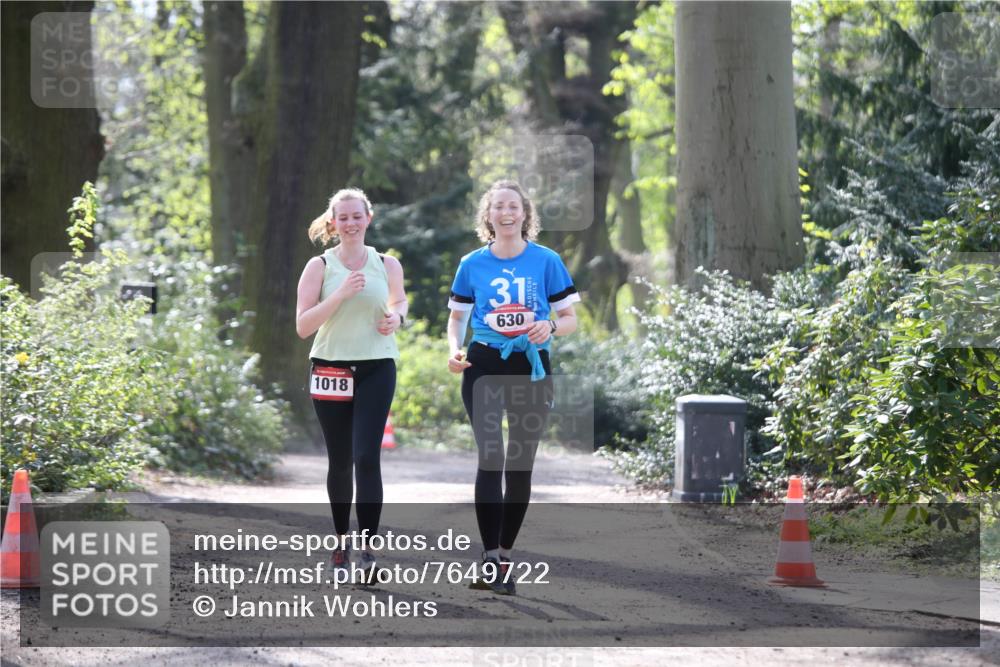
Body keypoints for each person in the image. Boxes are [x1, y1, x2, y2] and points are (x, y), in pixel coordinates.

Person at [446, 179, 580, 595]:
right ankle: (489, 559)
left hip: (530, 365)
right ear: (488, 216)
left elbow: (570, 319)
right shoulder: (471, 264)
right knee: (490, 458)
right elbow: (457, 318)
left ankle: (504, 556)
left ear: (525, 215)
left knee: (520, 465)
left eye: (513, 207)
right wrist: (454, 350)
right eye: (498, 207)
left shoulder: (547, 260)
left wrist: (549, 326)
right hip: (484, 363)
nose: (506, 213)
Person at [296, 188, 407, 582]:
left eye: (356, 216)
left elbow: (399, 302)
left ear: (368, 219)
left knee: (366, 457)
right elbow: (303, 325)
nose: (350, 223)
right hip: (331, 368)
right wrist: (340, 294)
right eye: (343, 217)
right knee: (341, 461)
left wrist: (397, 318)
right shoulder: (319, 266)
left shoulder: (386, 263)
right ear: (333, 223)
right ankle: (341, 544)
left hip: (377, 366)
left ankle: (369, 553)